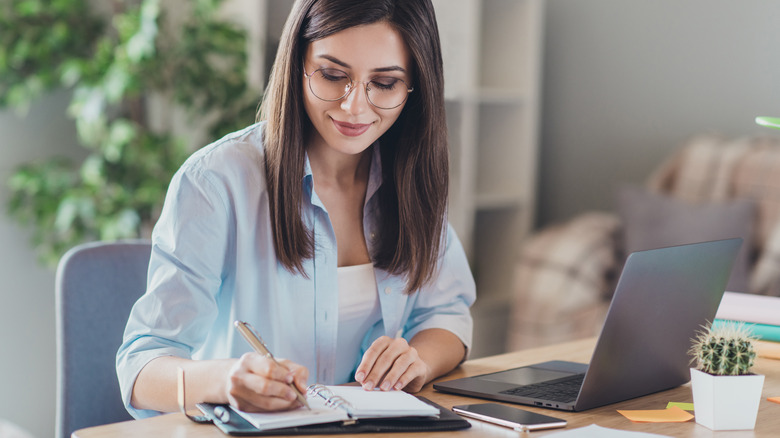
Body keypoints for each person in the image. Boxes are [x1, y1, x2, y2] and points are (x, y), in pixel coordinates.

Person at [116, 0, 475, 419]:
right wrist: (227, 380)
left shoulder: (412, 178)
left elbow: (447, 314)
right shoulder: (216, 182)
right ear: (296, 64)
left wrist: (418, 358)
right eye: (332, 75)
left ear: (415, 86)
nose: (355, 106)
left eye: (385, 83)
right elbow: (139, 369)